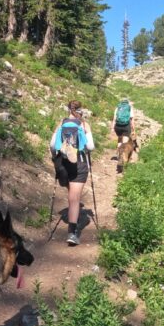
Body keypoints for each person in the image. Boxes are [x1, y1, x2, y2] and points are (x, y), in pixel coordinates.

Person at [50, 100, 95, 246]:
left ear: (68, 109)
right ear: (81, 110)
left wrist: (55, 158)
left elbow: (52, 145)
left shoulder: (61, 123)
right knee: (75, 198)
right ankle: (72, 233)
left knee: (71, 196)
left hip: (63, 163)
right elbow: (91, 146)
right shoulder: (83, 124)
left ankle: (71, 218)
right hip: (79, 163)